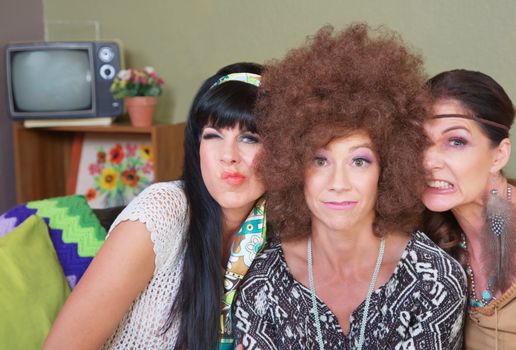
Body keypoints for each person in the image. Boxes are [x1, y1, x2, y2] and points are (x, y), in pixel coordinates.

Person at [232, 24, 467, 350]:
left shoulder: (434, 281)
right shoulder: (263, 285)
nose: (338, 183)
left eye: (359, 161)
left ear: (389, 169)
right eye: (319, 161)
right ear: (292, 168)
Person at [43, 62, 267, 350]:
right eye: (213, 135)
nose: (229, 156)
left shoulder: (281, 232)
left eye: (249, 137)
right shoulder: (161, 212)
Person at [422, 69, 516, 349]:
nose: (428, 161)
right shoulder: (429, 248)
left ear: (499, 154)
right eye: (420, 142)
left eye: (456, 141)